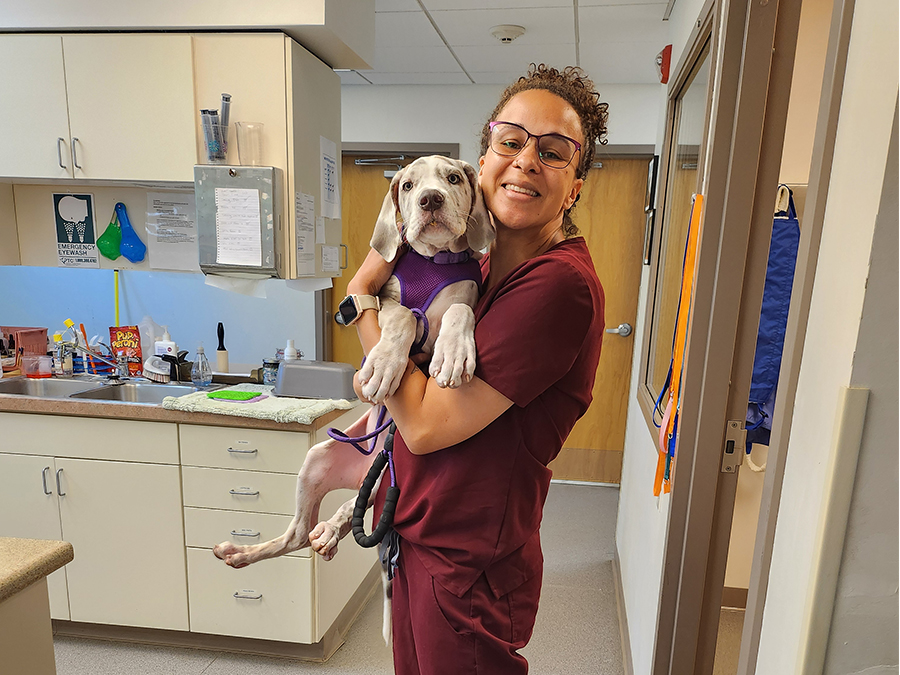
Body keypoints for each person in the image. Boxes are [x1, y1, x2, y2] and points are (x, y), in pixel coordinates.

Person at [343, 64, 608, 674]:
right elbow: (406, 378)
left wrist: (361, 298)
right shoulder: (475, 272)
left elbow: (428, 425)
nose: (526, 161)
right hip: (418, 533)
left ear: (575, 188)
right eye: (510, 141)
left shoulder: (557, 285)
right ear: (482, 163)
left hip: (467, 559)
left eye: (554, 151)